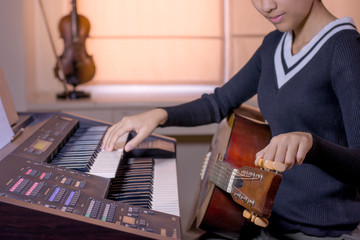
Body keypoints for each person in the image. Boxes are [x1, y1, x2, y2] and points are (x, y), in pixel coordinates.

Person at [102, 0, 360, 239]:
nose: (266, 6)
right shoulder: (273, 45)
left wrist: (310, 144)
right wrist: (161, 115)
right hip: (265, 220)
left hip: (321, 232)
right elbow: (218, 103)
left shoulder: (346, 49)